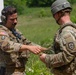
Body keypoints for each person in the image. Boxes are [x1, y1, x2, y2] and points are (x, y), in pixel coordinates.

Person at [0, 6, 46, 75]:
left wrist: (41, 48)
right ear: (4, 19)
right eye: (12, 19)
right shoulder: (1, 32)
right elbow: (6, 46)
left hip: (20, 71)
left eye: (16, 19)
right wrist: (28, 48)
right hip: (8, 71)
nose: (15, 22)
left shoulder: (14, 31)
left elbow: (26, 42)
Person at [39, 0, 76, 75]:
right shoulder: (73, 29)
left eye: (54, 15)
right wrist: (47, 50)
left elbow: (68, 55)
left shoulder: (66, 32)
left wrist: (47, 59)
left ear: (58, 14)